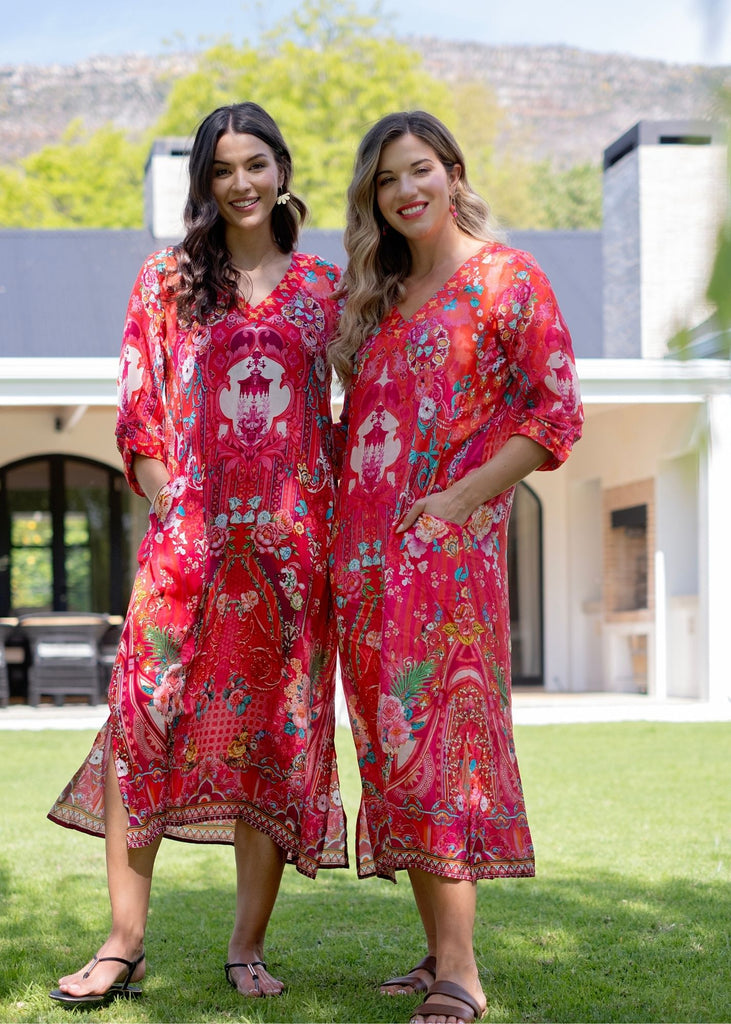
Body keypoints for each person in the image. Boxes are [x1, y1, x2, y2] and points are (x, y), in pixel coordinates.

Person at [48, 101, 347, 1007]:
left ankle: (246, 946)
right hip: (187, 549)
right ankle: (122, 943)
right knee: (142, 725)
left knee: (272, 738)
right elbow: (139, 410)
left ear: (283, 169)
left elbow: (358, 416)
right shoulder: (168, 283)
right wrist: (170, 499)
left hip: (293, 561)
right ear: (204, 185)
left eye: (255, 164)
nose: (242, 183)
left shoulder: (328, 291)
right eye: (222, 170)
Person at [328, 111, 583, 1024]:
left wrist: (461, 499)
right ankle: (435, 951)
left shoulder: (508, 280)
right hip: (362, 562)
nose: (406, 191)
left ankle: (462, 975)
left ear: (453, 170)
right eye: (387, 181)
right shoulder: (383, 299)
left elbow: (553, 417)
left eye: (420, 169)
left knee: (440, 754)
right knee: (394, 751)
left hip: (442, 557)